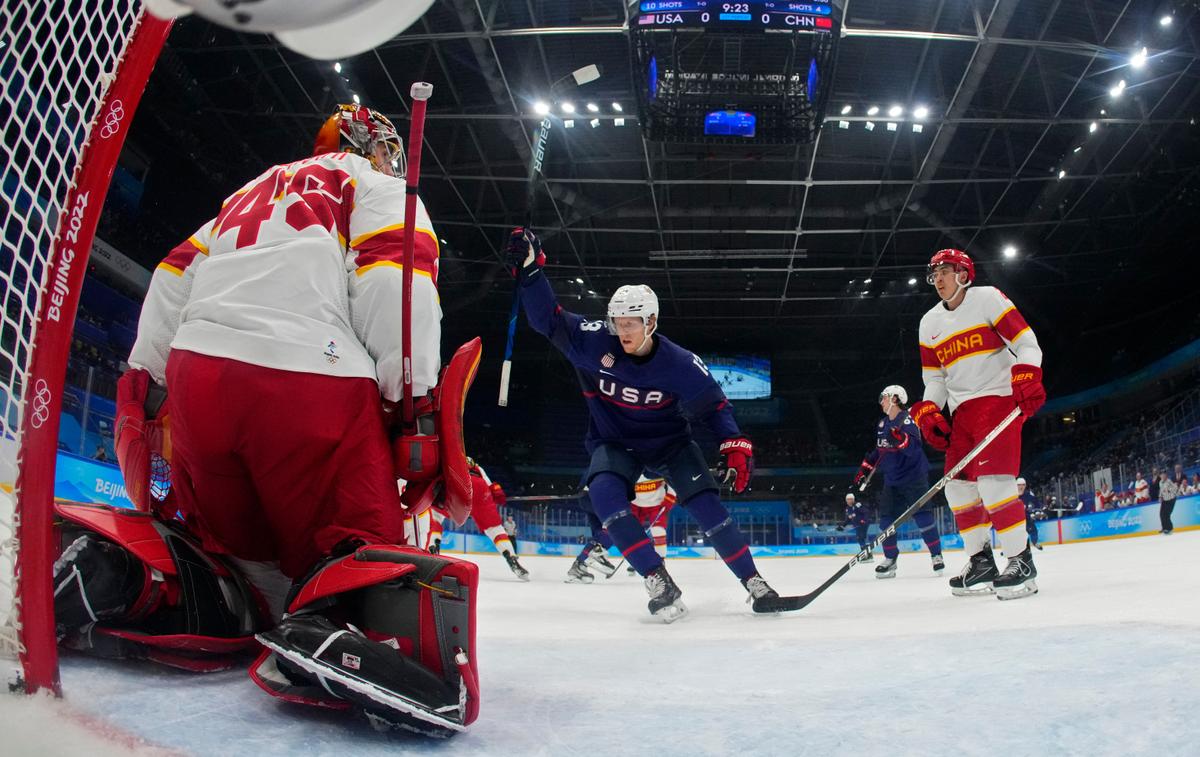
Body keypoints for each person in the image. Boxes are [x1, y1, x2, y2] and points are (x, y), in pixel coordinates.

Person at [99, 103, 479, 733]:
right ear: (368, 145)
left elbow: (171, 277)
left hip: (200, 378)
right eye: (386, 146)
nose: (392, 158)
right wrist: (411, 400)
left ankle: (187, 596)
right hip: (309, 378)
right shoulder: (378, 187)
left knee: (238, 553)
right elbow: (395, 282)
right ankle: (350, 624)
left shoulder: (249, 189)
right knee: (356, 536)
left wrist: (151, 383)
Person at [505, 227, 783, 621]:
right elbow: (546, 319)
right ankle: (657, 578)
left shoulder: (680, 363)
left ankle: (755, 583)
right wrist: (531, 271)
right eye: (617, 322)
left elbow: (714, 406)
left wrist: (733, 443)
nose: (622, 331)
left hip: (669, 443)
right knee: (605, 498)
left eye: (631, 323)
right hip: (614, 442)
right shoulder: (592, 340)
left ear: (651, 321)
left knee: (708, 509)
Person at [910, 248, 1045, 600]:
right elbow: (935, 380)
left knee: (995, 483)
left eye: (945, 270)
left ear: (964, 274)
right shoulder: (929, 323)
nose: (937, 278)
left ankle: (1021, 560)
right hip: (963, 413)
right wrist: (929, 412)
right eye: (934, 272)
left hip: (998, 400)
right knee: (956, 487)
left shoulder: (988, 299)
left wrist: (1027, 374)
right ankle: (981, 561)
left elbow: (1026, 343)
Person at [854, 385, 944, 579]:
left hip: (914, 478)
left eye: (883, 397)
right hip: (892, 480)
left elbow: (913, 449)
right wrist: (864, 470)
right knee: (886, 522)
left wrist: (901, 439)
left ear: (895, 398)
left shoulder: (909, 420)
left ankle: (936, 555)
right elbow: (879, 452)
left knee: (923, 518)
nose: (881, 401)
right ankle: (890, 559)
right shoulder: (882, 424)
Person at [429, 460, 530, 580]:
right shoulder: (477, 467)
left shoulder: (448, 460)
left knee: (435, 517)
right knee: (495, 530)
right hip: (480, 488)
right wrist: (497, 497)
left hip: (456, 486)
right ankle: (512, 558)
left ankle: (433, 549)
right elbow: (493, 488)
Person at [838, 492, 874, 562]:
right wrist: (842, 526)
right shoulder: (848, 509)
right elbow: (848, 519)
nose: (849, 501)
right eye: (848, 499)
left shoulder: (857, 505)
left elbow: (866, 512)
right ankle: (867, 555)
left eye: (851, 499)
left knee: (861, 538)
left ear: (853, 499)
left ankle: (868, 556)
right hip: (857, 525)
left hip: (863, 524)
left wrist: (863, 520)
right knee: (860, 539)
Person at [1016, 477, 1044, 550]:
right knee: (1013, 534)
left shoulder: (1029, 494)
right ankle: (1009, 548)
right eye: (1019, 485)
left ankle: (1035, 542)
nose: (1021, 487)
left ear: (1025, 485)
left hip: (1026, 517)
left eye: (1023, 485)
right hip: (1015, 518)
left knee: (1033, 529)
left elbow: (1036, 502)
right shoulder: (1012, 495)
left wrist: (1037, 511)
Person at [1158, 471, 1179, 535]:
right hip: (1165, 500)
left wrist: (1171, 491)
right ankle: (1164, 527)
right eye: (1161, 475)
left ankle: (1169, 528)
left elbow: (1175, 488)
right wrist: (1160, 497)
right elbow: (1161, 491)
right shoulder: (1160, 482)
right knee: (1161, 514)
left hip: (1171, 499)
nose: (1163, 476)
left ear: (1166, 475)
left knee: (1167, 514)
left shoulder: (1169, 481)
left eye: (1164, 475)